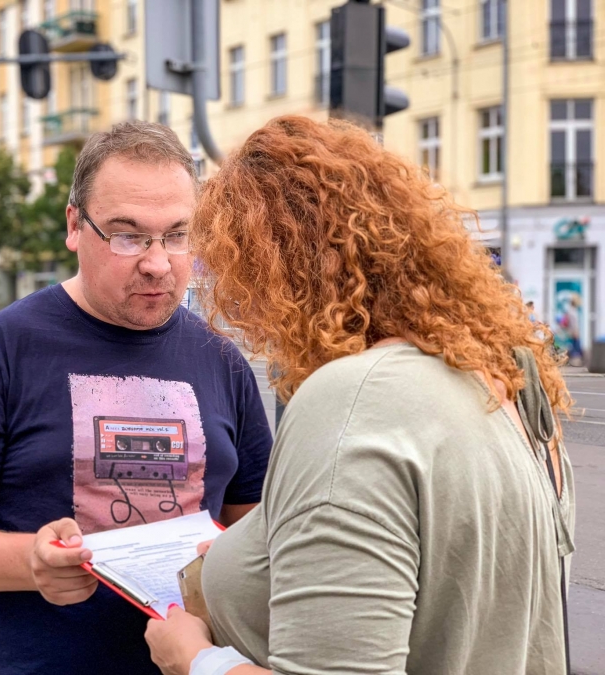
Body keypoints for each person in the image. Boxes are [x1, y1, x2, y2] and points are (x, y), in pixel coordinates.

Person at [145, 115, 575, 675]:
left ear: (277, 274)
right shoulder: (509, 384)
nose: (250, 317)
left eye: (240, 282)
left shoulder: (354, 402)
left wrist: (194, 659)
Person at [0, 120, 273, 675]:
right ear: (74, 225)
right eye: (127, 236)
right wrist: (31, 561)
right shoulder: (4, 349)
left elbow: (255, 525)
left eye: (177, 235)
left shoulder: (221, 359)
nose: (157, 263)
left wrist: (235, 563)